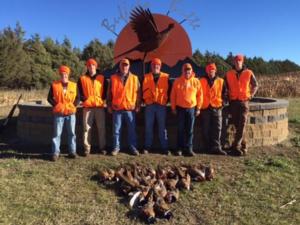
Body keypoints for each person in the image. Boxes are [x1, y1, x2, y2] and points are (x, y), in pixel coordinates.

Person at [225, 54, 258, 156]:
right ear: (234, 62)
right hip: (233, 102)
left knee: (242, 123)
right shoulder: (228, 73)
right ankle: (244, 146)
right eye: (236, 61)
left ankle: (236, 146)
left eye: (239, 60)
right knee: (236, 125)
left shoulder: (249, 72)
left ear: (242, 61)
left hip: (244, 102)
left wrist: (251, 95)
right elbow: (223, 86)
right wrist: (226, 96)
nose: (237, 62)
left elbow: (255, 85)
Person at [107, 58, 141, 156]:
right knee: (116, 130)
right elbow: (109, 93)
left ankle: (133, 148)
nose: (124, 67)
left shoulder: (135, 78)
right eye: (123, 65)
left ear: (129, 66)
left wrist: (138, 105)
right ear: (120, 66)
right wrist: (109, 105)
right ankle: (116, 148)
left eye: (126, 65)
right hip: (117, 108)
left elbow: (139, 93)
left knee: (132, 130)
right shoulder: (113, 78)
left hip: (130, 109)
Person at [47, 65, 80, 161]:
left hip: (71, 113)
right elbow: (49, 98)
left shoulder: (74, 85)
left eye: (65, 74)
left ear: (68, 74)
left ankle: (72, 152)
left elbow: (78, 97)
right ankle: (55, 153)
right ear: (60, 74)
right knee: (57, 134)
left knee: (72, 133)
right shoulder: (54, 85)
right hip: (59, 113)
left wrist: (73, 105)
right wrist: (56, 105)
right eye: (62, 74)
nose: (64, 75)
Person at [170, 63, 203, 156]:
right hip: (180, 109)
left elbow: (200, 95)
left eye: (189, 70)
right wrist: (173, 108)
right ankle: (179, 149)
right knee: (180, 129)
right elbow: (173, 96)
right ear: (182, 71)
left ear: (191, 71)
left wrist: (198, 108)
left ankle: (189, 148)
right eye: (185, 70)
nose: (187, 72)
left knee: (190, 130)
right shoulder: (177, 81)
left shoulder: (196, 81)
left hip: (191, 109)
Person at [77, 58, 107, 156]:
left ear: (96, 66)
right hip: (87, 107)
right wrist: (85, 100)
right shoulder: (82, 78)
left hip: (99, 107)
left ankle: (102, 147)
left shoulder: (102, 78)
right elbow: (78, 92)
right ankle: (87, 148)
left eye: (93, 65)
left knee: (101, 128)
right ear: (87, 67)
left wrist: (102, 99)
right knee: (86, 128)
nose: (91, 67)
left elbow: (106, 91)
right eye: (89, 65)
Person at [142, 58, 170, 155]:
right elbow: (141, 91)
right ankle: (147, 147)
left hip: (161, 106)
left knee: (162, 128)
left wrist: (167, 101)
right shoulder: (145, 77)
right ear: (151, 66)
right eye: (154, 65)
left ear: (160, 66)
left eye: (157, 65)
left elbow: (170, 91)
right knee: (148, 127)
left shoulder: (166, 77)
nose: (155, 66)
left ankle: (165, 147)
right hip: (149, 106)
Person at [199, 63, 227, 155]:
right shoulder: (201, 80)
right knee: (205, 128)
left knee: (218, 128)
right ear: (206, 71)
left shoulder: (221, 81)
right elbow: (197, 93)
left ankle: (216, 147)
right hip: (205, 107)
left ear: (215, 71)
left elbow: (225, 94)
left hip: (217, 107)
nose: (211, 72)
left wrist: (223, 103)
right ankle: (206, 147)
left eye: (212, 70)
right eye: (209, 70)